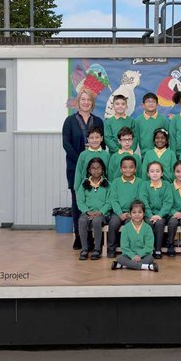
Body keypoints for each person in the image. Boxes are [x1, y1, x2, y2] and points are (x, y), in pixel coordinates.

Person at [62, 89, 104, 249]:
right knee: (77, 200)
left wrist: (95, 165)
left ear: (92, 103)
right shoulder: (70, 121)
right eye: (83, 99)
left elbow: (103, 143)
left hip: (97, 170)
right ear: (78, 102)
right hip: (75, 167)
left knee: (96, 200)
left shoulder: (98, 121)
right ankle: (79, 236)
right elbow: (66, 144)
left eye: (89, 100)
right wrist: (82, 161)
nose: (86, 102)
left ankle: (94, 236)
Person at [76, 157, 111, 261]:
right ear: (89, 170)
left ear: (103, 169)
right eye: (93, 168)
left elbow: (109, 202)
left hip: (102, 214)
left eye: (98, 168)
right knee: (82, 220)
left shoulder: (108, 184)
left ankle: (97, 249)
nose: (96, 170)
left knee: (96, 221)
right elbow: (80, 201)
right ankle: (84, 249)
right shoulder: (84, 184)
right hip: (87, 213)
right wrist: (87, 211)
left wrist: (100, 212)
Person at [107, 155, 141, 257]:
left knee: (131, 225)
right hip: (118, 212)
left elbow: (139, 200)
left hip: (132, 213)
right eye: (125, 167)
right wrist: (120, 213)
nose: (128, 170)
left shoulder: (139, 182)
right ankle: (111, 248)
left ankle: (129, 249)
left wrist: (133, 213)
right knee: (113, 223)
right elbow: (113, 199)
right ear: (121, 169)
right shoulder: (116, 182)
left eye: (131, 167)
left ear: (135, 169)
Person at [112, 200, 157, 271]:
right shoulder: (126, 228)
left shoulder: (148, 228)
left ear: (144, 213)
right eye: (134, 212)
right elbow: (124, 247)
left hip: (143, 256)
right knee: (119, 258)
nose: (137, 215)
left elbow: (149, 247)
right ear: (130, 214)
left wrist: (139, 255)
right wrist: (133, 256)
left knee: (150, 258)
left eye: (140, 212)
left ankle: (125, 266)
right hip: (129, 256)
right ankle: (146, 267)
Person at [139, 161, 172, 258]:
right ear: (148, 174)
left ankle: (157, 249)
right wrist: (150, 215)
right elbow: (143, 202)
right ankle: (149, 249)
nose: (155, 173)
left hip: (162, 215)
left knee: (160, 223)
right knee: (148, 223)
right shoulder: (144, 185)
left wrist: (160, 215)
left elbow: (168, 203)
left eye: (158, 171)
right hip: (148, 214)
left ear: (162, 173)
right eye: (152, 171)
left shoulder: (167, 185)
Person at [72, 126, 108, 191]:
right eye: (91, 138)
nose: (94, 140)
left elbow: (109, 173)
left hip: (103, 189)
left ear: (101, 138)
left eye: (97, 137)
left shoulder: (106, 155)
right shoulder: (83, 155)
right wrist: (77, 189)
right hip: (86, 189)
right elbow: (78, 172)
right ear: (88, 139)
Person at [134, 92, 169, 156]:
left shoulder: (163, 120)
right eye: (148, 101)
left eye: (153, 102)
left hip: (161, 155)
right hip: (145, 155)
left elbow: (168, 138)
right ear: (143, 105)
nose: (150, 104)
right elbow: (136, 138)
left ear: (157, 104)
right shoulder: (138, 121)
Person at [104, 91, 136, 155]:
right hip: (114, 154)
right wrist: (118, 151)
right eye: (117, 104)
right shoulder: (109, 122)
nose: (120, 106)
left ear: (126, 106)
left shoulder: (131, 121)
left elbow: (135, 137)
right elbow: (108, 138)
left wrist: (130, 149)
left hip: (129, 154)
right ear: (113, 106)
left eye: (123, 104)